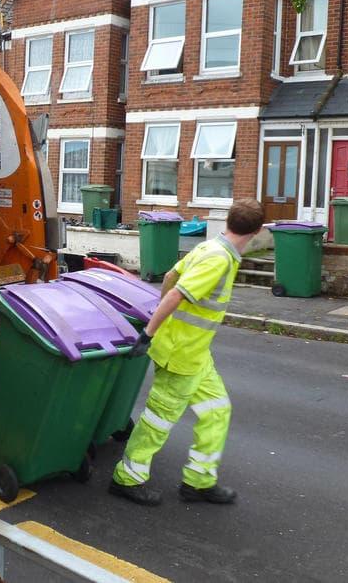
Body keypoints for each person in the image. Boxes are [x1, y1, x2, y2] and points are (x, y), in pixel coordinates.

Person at [109, 199, 265, 506]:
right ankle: (126, 478)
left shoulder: (210, 247)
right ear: (257, 231)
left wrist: (161, 322)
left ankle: (199, 481)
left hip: (196, 355)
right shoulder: (218, 259)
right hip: (180, 355)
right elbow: (178, 293)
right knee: (159, 420)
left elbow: (169, 277)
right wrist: (150, 332)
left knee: (217, 410)